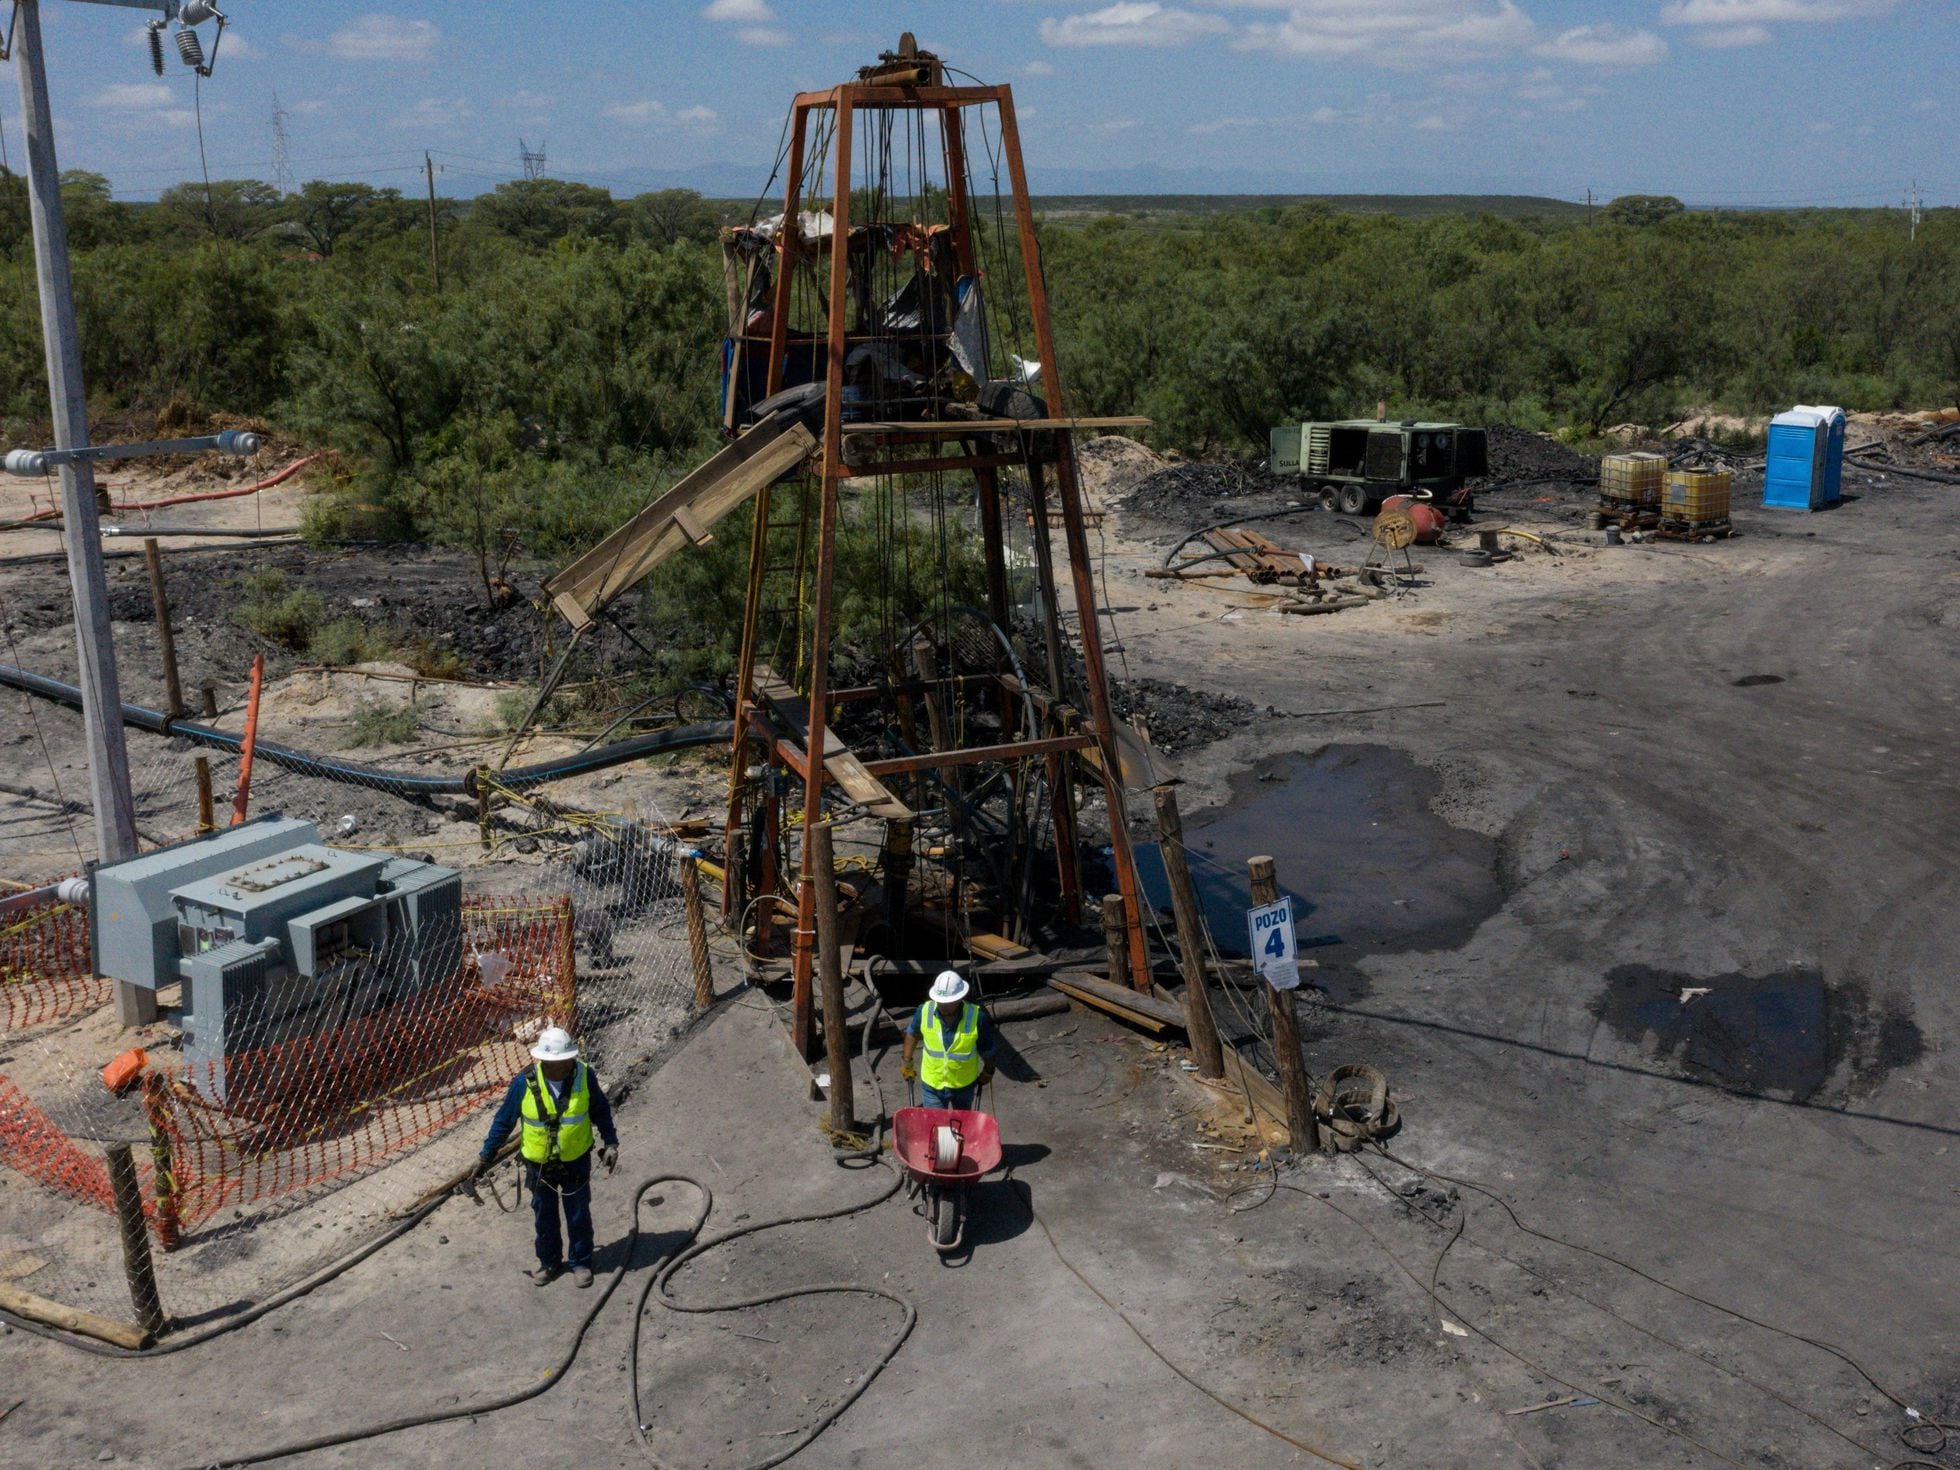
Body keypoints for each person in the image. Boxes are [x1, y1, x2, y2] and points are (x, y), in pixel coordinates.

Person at [476, 1025, 619, 1287]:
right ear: (543, 1060)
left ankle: (581, 1262)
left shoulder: (584, 1076)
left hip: (576, 1159)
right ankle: (549, 1262)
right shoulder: (523, 1083)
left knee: (578, 1214)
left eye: (568, 1060)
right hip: (539, 1164)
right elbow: (503, 1121)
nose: (566, 1066)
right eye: (559, 1061)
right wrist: (486, 1156)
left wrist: (611, 1142)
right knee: (545, 1216)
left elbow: (600, 1109)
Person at [900, 970, 997, 1108]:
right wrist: (906, 1062)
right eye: (940, 1001)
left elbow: (987, 1049)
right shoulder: (924, 1011)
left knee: (961, 1126)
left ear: (959, 998)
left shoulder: (976, 1017)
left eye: (949, 1002)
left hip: (963, 1085)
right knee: (935, 1125)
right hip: (933, 1084)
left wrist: (988, 1071)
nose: (944, 1005)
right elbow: (912, 1034)